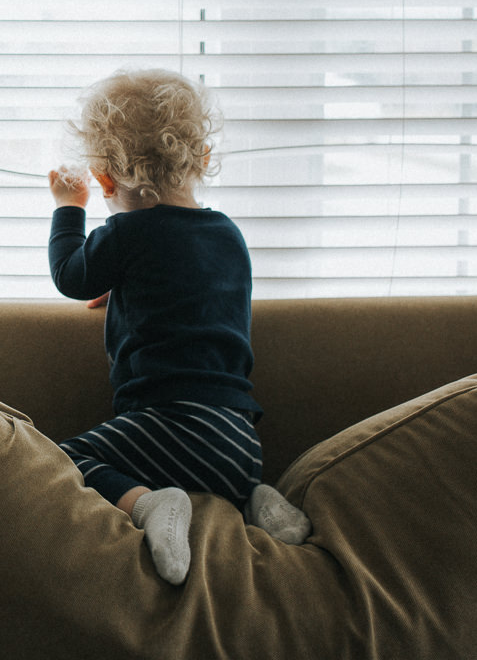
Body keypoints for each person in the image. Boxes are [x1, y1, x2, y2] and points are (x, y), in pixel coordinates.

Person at [47, 68, 310, 585]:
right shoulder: (228, 235)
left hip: (165, 426)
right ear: (203, 159)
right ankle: (258, 497)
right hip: (238, 441)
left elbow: (71, 277)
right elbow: (192, 293)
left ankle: (149, 504)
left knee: (65, 459)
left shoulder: (125, 233)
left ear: (103, 178)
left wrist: (67, 210)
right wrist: (128, 287)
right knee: (226, 477)